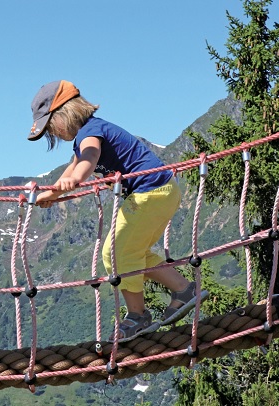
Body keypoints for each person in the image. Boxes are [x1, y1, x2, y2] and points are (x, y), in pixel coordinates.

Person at [27, 80, 208, 342]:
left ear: (64, 113)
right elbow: (72, 167)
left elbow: (87, 159)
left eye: (50, 126)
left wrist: (75, 179)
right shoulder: (90, 132)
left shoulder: (90, 133)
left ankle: (138, 316)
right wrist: (50, 195)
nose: (53, 134)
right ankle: (183, 290)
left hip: (150, 193)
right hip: (161, 191)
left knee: (116, 252)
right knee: (126, 253)